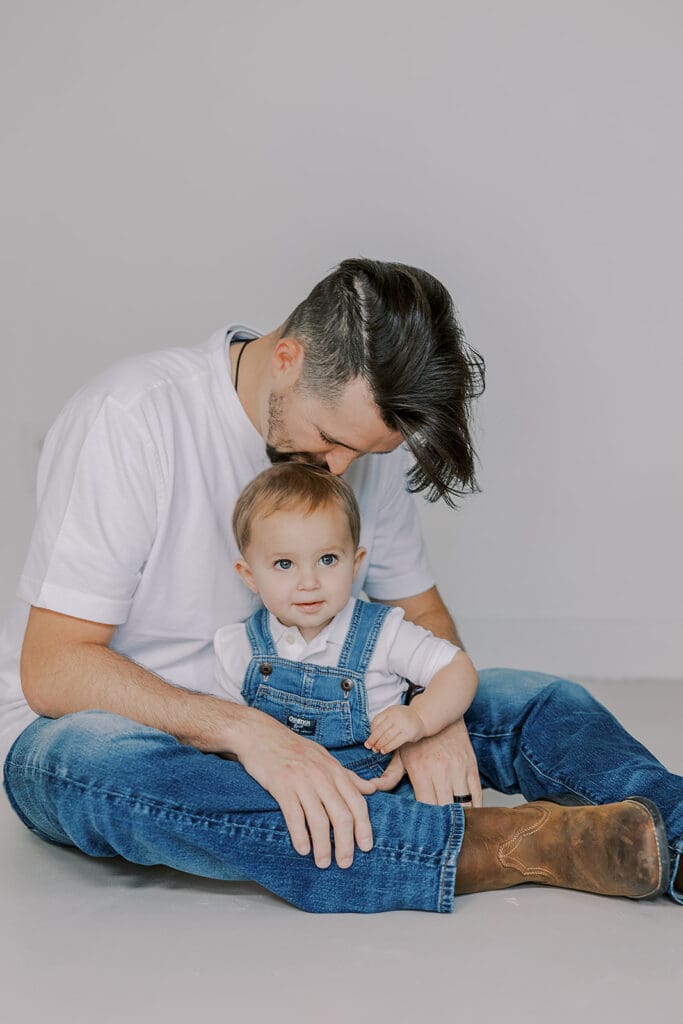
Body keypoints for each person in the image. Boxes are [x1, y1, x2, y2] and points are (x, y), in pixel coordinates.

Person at [0, 258, 680, 912]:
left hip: (329, 711)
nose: (339, 470)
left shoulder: (353, 449)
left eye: (364, 454)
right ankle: (503, 847)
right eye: (330, 441)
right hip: (147, 736)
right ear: (288, 359)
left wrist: (427, 713)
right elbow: (53, 668)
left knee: (532, 701)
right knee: (96, 769)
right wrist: (246, 734)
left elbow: (419, 610)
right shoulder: (131, 419)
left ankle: (670, 837)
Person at [214, 462, 479, 764]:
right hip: (280, 786)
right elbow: (226, 736)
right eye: (285, 564)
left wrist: (420, 718)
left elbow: (458, 669)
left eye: (327, 559)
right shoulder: (239, 647)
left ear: (355, 564)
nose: (309, 583)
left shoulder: (383, 633)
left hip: (374, 778)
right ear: (249, 576)